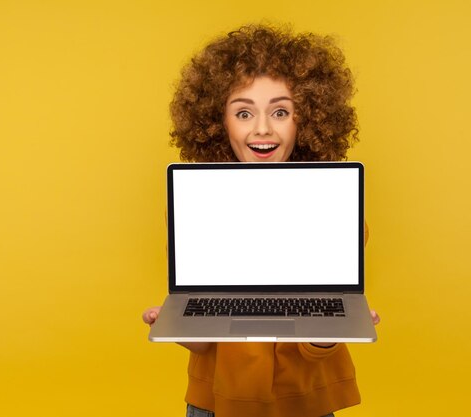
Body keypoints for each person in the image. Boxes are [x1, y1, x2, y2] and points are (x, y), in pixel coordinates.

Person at [142, 24, 380, 417]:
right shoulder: (193, 210)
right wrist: (179, 325)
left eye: (281, 111)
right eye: (243, 112)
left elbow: (312, 347)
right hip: (216, 403)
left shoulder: (336, 213)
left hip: (305, 403)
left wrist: (330, 333)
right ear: (218, 122)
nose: (263, 128)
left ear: (309, 120)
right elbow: (207, 344)